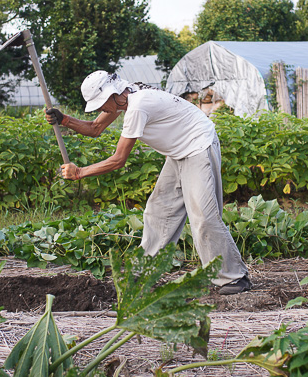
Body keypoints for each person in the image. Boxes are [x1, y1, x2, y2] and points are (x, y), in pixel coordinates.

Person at [45, 71, 251, 295]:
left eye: (101, 104)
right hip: (178, 152)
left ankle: (233, 277)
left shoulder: (138, 105)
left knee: (203, 215)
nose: (100, 110)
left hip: (198, 145)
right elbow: (95, 129)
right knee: (159, 211)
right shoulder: (128, 97)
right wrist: (64, 119)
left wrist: (80, 173)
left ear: (113, 94)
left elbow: (118, 160)